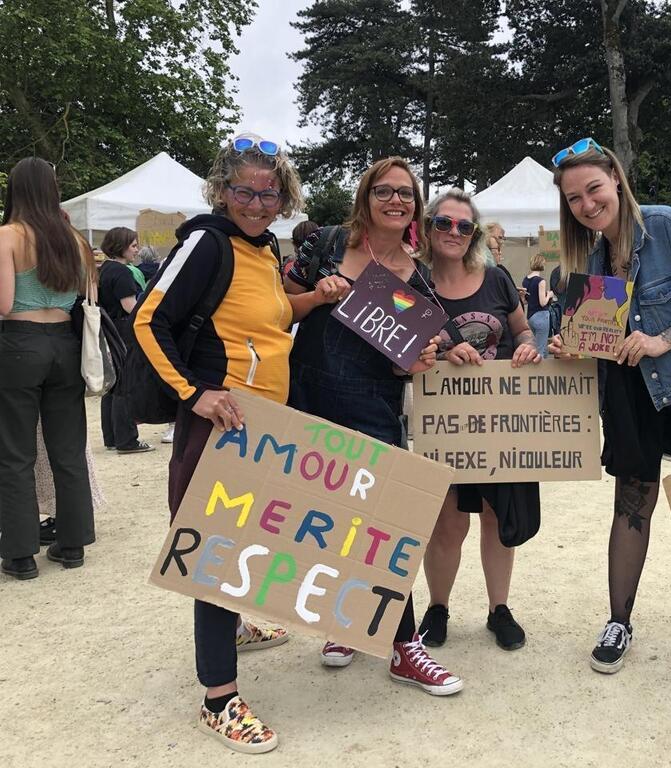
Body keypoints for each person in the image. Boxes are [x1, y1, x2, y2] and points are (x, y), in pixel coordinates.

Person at [135, 134, 337, 753]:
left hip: (261, 425)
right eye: (243, 191)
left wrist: (314, 299)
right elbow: (149, 319)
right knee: (214, 553)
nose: (255, 202)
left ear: (283, 197)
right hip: (219, 423)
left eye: (267, 192)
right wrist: (195, 394)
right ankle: (218, 698)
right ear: (221, 191)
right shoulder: (207, 242)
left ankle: (233, 628)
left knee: (243, 539)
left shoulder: (265, 249)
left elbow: (267, 323)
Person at [547, 138, 671, 674]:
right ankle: (618, 620)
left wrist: (664, 339)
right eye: (575, 198)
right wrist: (571, 345)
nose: (586, 203)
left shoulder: (668, 226)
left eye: (593, 189)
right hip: (628, 397)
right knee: (632, 503)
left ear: (616, 179)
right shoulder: (590, 256)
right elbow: (592, 336)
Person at [284, 157, 463, 695]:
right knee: (332, 517)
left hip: (373, 406)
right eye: (384, 191)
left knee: (385, 523)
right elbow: (279, 310)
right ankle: (347, 621)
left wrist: (420, 359)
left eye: (406, 193)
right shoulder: (328, 244)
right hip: (309, 396)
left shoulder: (416, 273)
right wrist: (318, 295)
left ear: (416, 204)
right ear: (366, 196)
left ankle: (404, 645)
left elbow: (406, 361)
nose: (395, 201)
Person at [417, 189, 541, 652]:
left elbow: (522, 329)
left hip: (503, 418)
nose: (453, 232)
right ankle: (438, 606)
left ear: (474, 233)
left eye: (463, 226)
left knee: (498, 518)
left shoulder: (497, 278)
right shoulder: (414, 282)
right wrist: (444, 351)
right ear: (428, 228)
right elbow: (406, 351)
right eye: (444, 223)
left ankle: (499, 609)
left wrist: (529, 346)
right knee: (447, 523)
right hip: (446, 422)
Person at [0, 157, 96, 580]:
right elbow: (86, 297)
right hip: (65, 345)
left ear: (15, 191)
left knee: (15, 452)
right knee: (68, 449)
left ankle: (20, 553)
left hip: (18, 343)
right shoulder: (74, 240)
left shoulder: (7, 237)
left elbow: (3, 305)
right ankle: (72, 542)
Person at [98, 226, 153, 454]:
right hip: (122, 330)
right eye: (133, 245)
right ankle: (126, 439)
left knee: (113, 385)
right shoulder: (122, 272)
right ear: (121, 247)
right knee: (124, 384)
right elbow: (130, 306)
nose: (136, 250)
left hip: (108, 328)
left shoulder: (103, 270)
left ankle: (111, 437)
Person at [522, 253, 552, 357]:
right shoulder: (541, 281)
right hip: (542, 316)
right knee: (542, 349)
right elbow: (542, 302)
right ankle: (542, 371)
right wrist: (549, 295)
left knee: (534, 347)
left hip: (530, 316)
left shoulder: (525, 280)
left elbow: (525, 301)